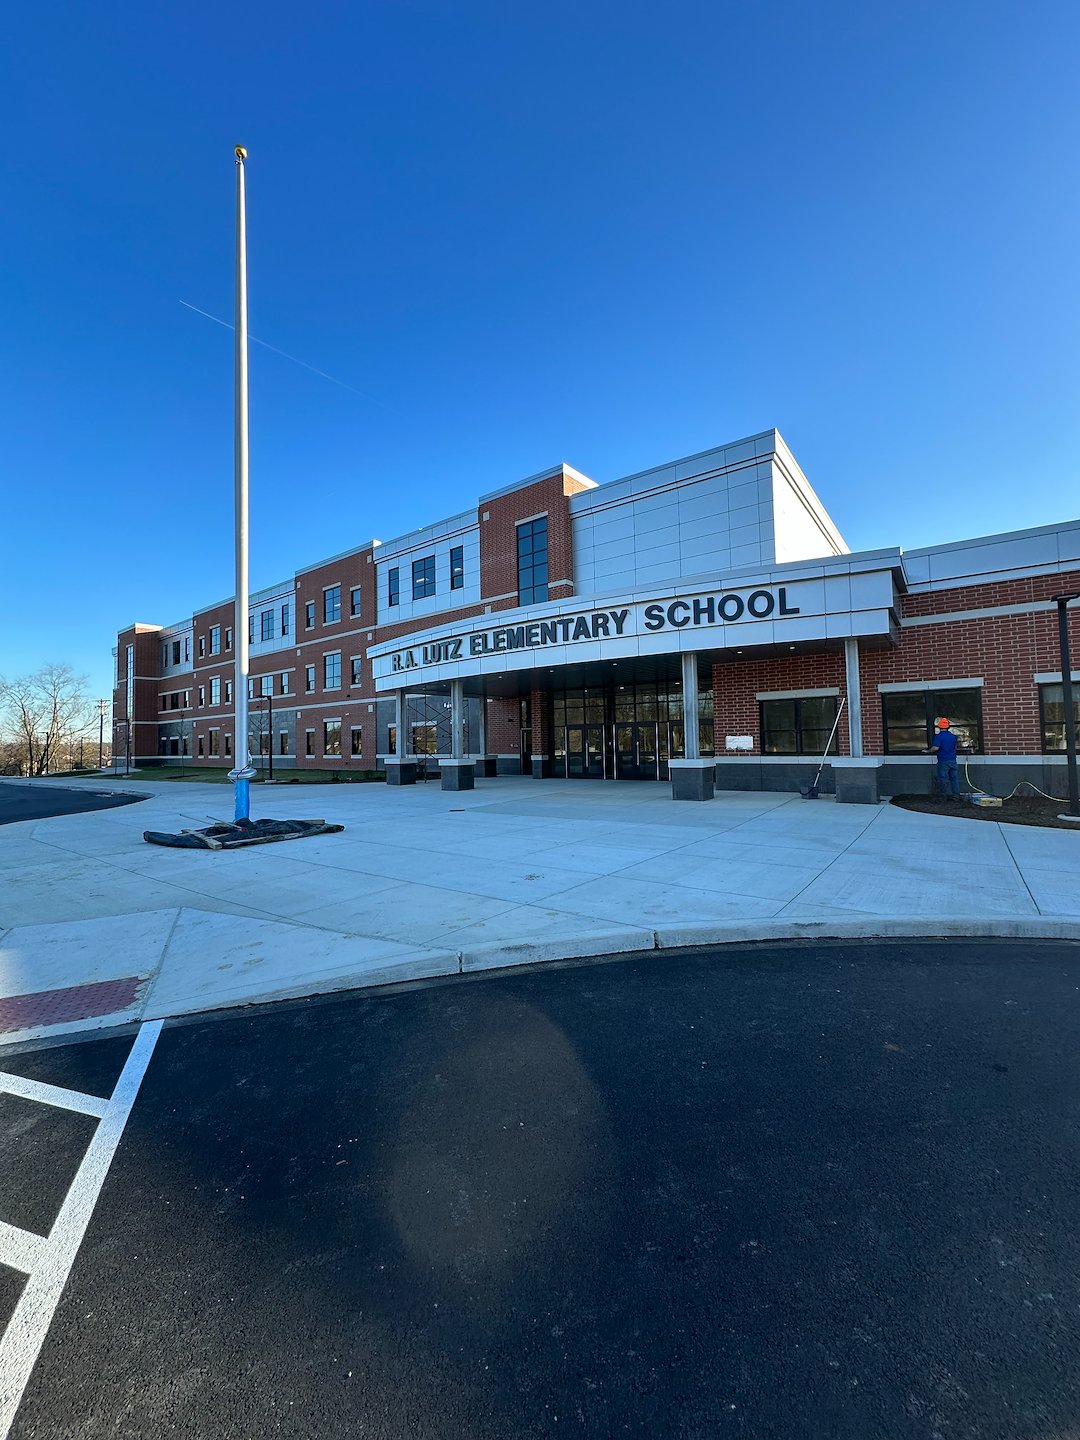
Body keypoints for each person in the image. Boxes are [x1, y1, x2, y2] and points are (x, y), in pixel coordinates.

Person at [928, 717, 960, 801]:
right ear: (948, 727)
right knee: (954, 779)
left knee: (942, 779)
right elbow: (955, 747)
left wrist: (928, 751)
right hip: (953, 760)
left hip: (943, 760)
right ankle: (956, 796)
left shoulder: (938, 737)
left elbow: (935, 748)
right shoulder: (953, 737)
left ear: (939, 727)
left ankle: (943, 797)